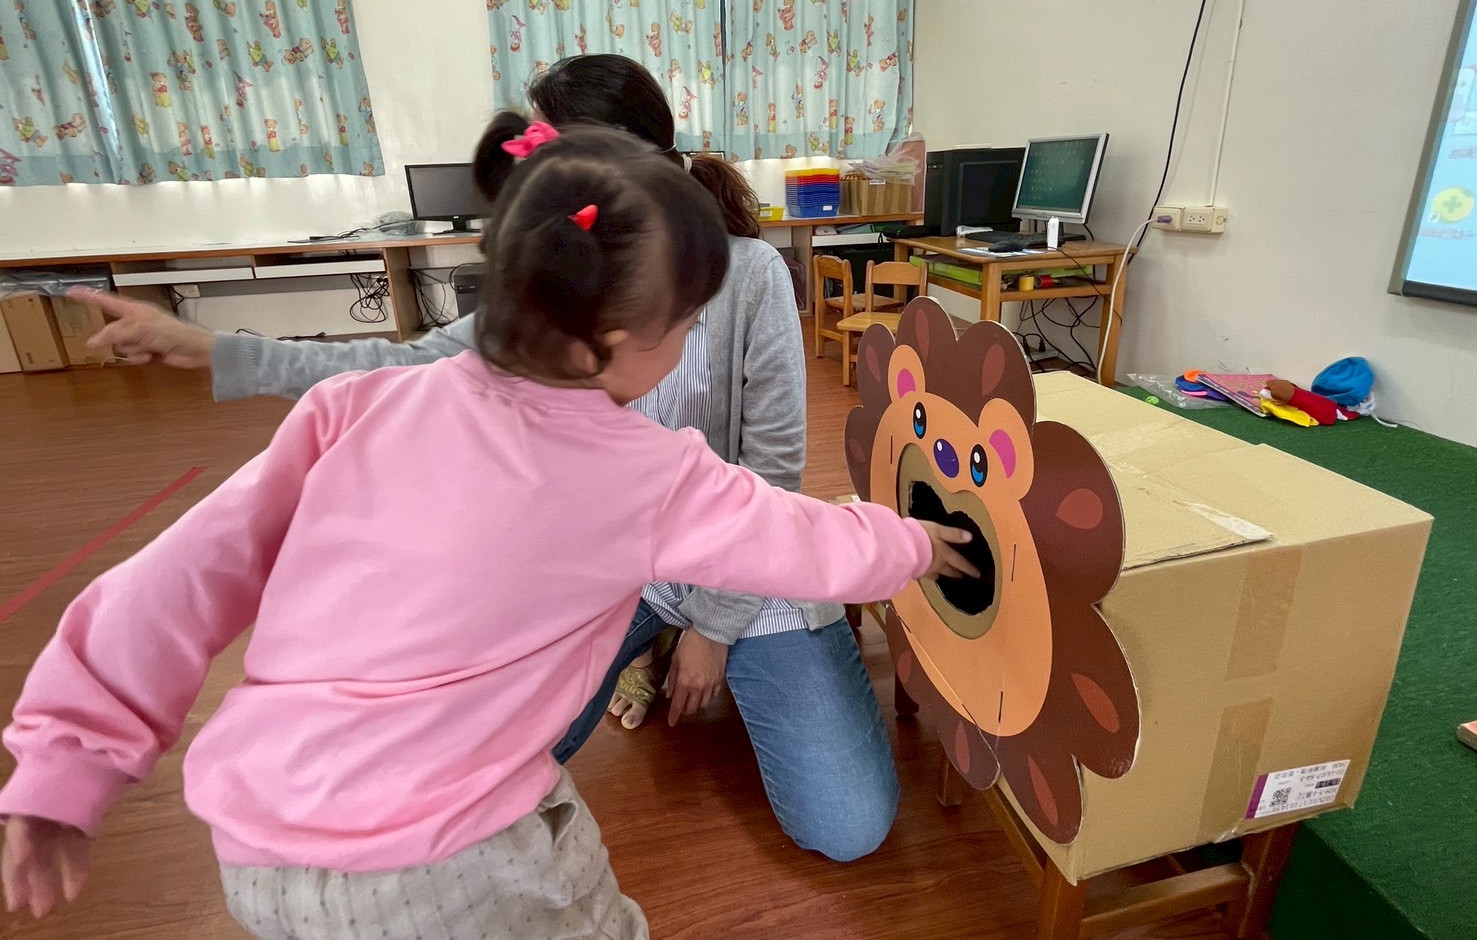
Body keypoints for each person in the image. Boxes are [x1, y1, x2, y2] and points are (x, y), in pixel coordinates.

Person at [0, 123, 978, 935]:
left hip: (265, 848)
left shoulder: (360, 406)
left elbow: (171, 583)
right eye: (683, 325)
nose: (690, 340)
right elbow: (797, 537)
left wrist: (64, 766)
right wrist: (912, 543)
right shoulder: (644, 471)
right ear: (611, 345)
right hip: (450, 854)